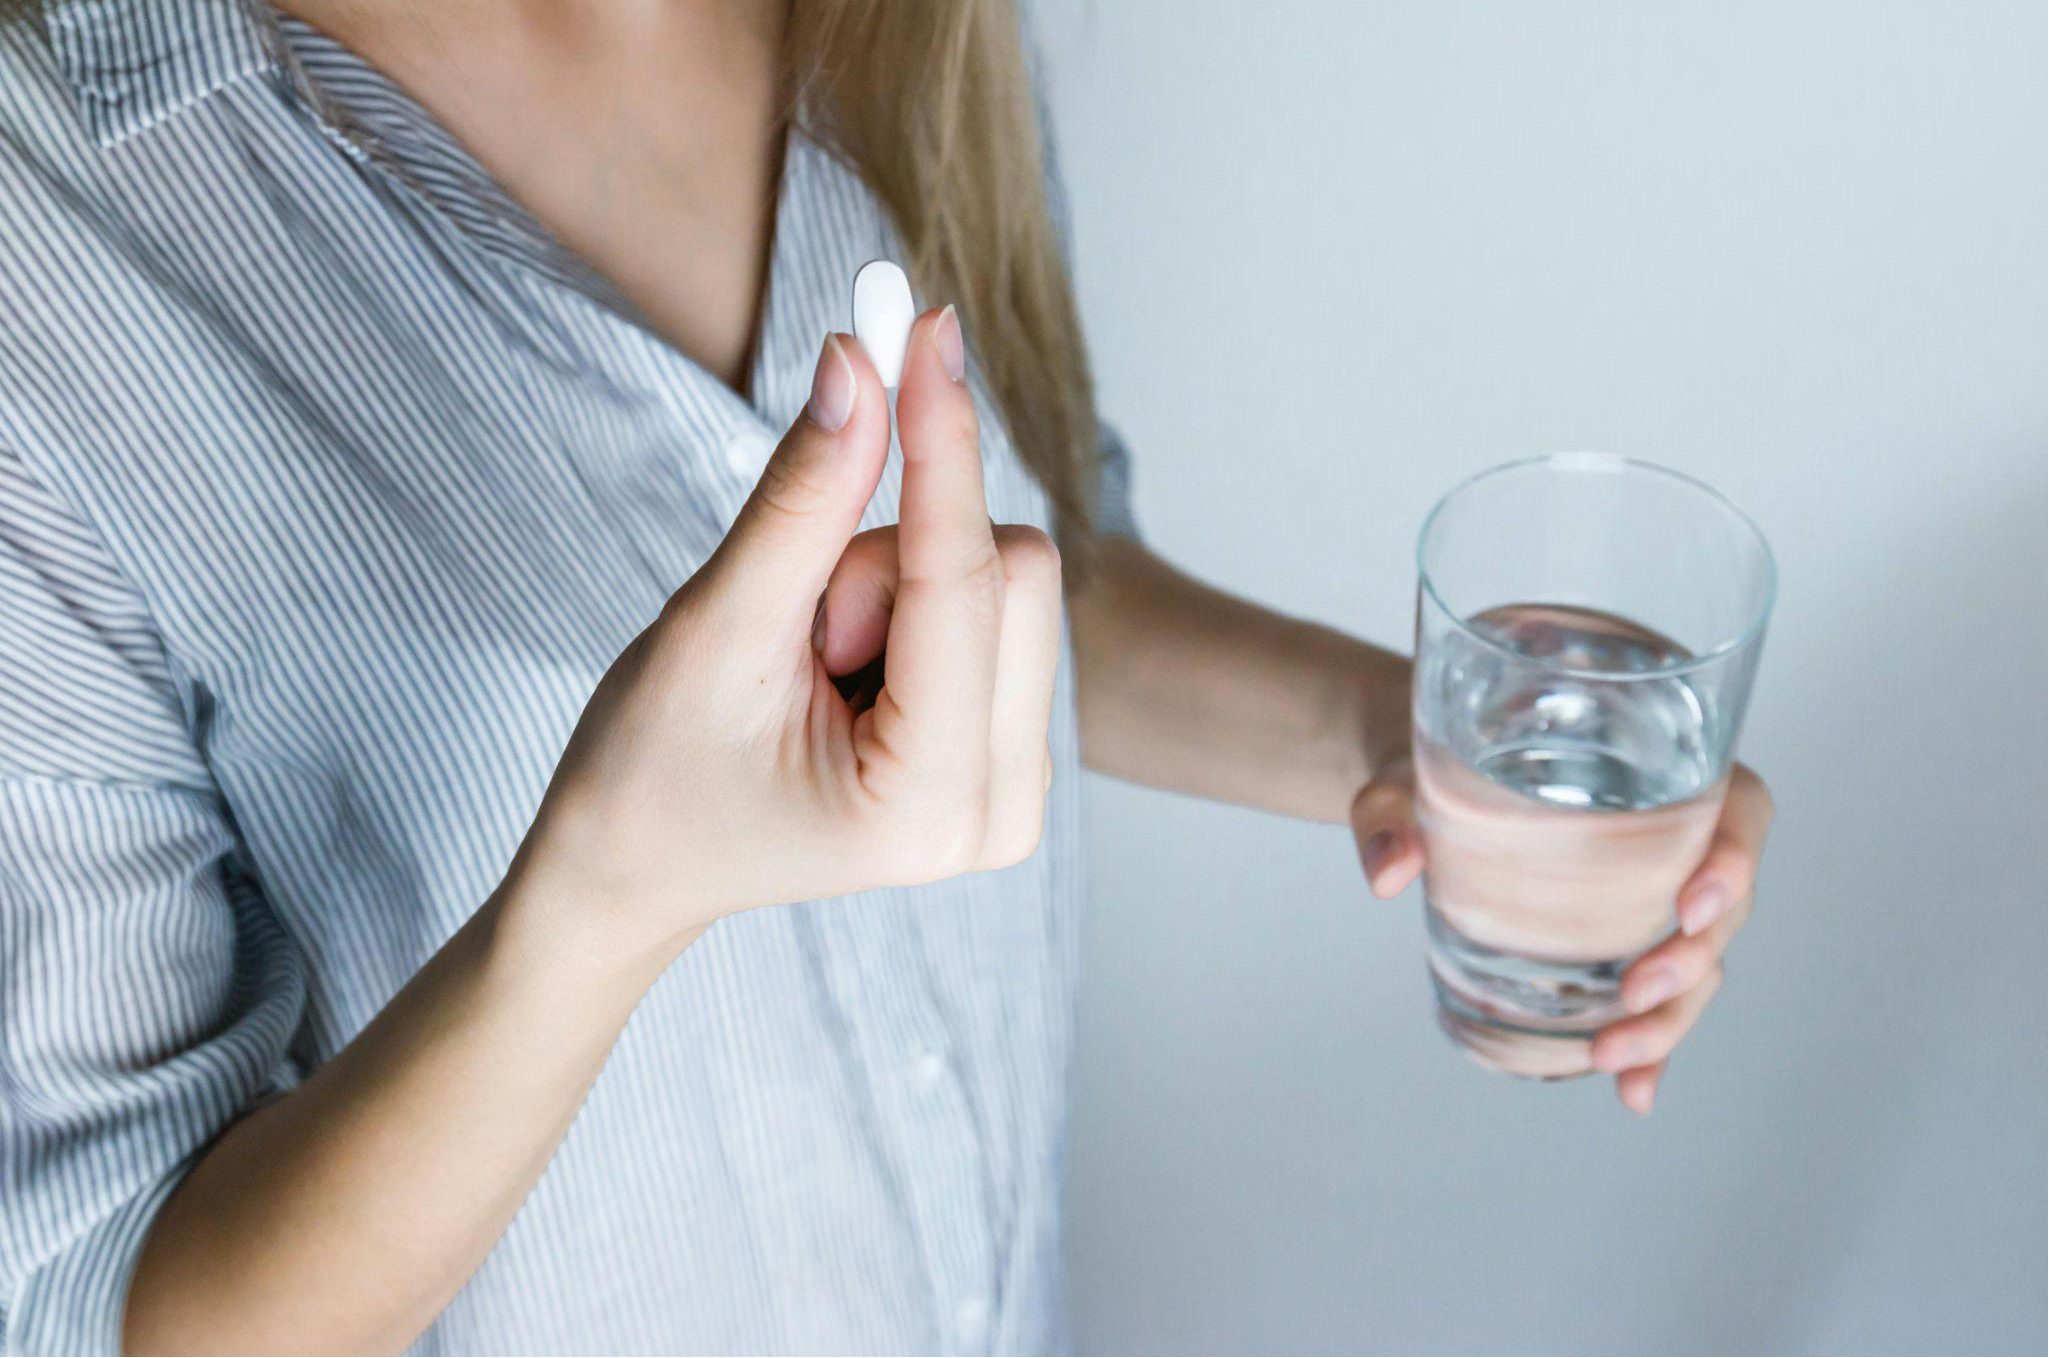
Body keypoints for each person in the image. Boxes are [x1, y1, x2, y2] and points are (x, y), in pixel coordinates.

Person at [0, 2, 1775, 1353]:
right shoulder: (55, 229)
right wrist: (609, 895)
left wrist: (1403, 746)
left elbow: (1010, 571)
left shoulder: (903, 32)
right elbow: (108, 1300)